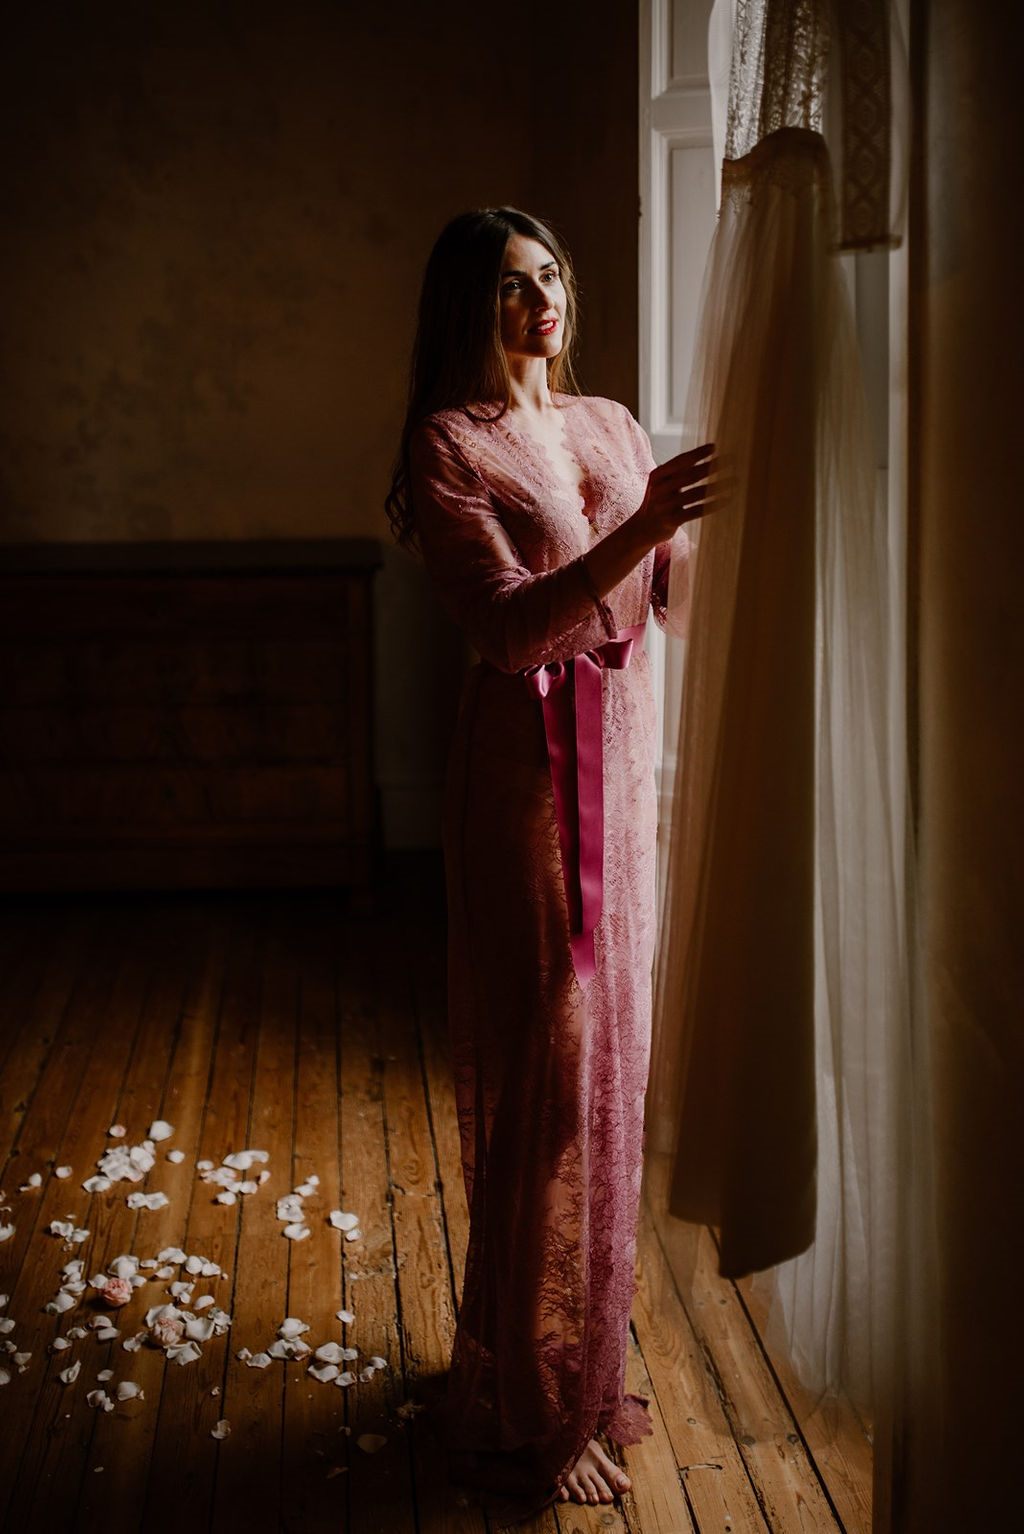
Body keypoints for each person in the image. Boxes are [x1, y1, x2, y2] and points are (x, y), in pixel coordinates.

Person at [385, 206, 718, 1525]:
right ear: (469, 303)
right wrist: (637, 538)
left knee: (604, 1069)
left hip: (620, 762)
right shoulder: (448, 443)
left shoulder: (612, 424)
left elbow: (670, 596)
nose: (545, 301)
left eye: (554, 276)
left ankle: (562, 1362)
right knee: (542, 1080)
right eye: (516, 285)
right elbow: (514, 633)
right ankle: (521, 1398)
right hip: (522, 779)